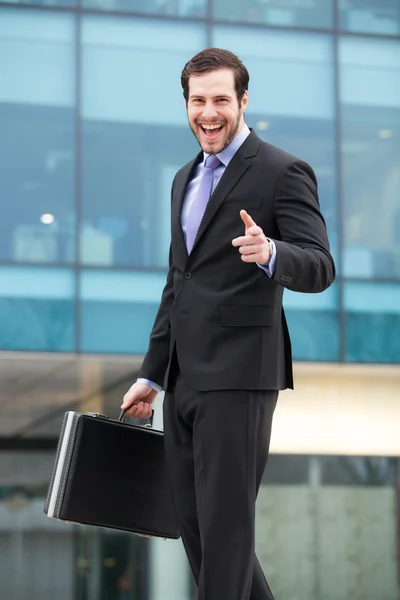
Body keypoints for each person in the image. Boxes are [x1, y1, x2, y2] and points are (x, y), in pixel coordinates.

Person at [121, 48, 335, 600]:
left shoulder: (282, 171)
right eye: (198, 101)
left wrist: (271, 253)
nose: (208, 112)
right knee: (198, 534)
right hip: (185, 379)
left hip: (240, 377)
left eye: (221, 99)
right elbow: (179, 282)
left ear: (243, 101)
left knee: (227, 533)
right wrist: (152, 374)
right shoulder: (183, 178)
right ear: (187, 105)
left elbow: (320, 266)